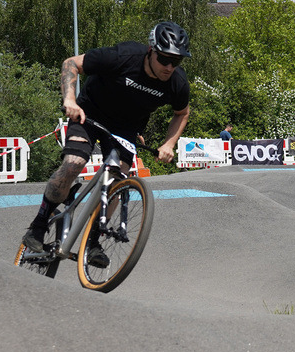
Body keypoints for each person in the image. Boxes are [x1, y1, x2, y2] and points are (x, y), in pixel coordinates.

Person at [22, 21, 192, 254]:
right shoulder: (123, 56)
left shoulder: (177, 83)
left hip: (125, 128)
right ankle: (38, 225)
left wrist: (169, 143)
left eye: (177, 61)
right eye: (164, 59)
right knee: (74, 162)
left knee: (117, 179)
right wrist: (69, 99)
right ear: (151, 51)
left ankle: (92, 241)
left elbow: (182, 113)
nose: (170, 67)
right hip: (89, 113)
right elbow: (71, 63)